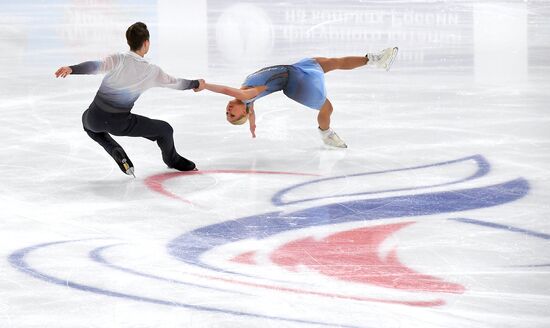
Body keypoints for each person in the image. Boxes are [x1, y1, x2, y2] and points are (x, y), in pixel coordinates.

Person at [54, 22, 205, 177]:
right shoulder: (151, 71)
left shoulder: (117, 60)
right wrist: (196, 84)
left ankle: (114, 150)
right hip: (121, 124)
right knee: (165, 130)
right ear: (146, 43)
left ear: (129, 42)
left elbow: (94, 66)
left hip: (94, 119)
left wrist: (72, 69)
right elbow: (177, 84)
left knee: (87, 122)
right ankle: (172, 160)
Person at [202, 47, 398, 148]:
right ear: (243, 110)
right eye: (232, 115)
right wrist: (204, 85)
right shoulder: (246, 95)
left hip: (295, 69)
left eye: (227, 113)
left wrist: (252, 125)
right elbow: (226, 91)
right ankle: (326, 133)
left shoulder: (248, 102)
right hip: (296, 84)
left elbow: (250, 112)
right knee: (327, 108)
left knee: (333, 62)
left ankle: (375, 59)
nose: (228, 111)